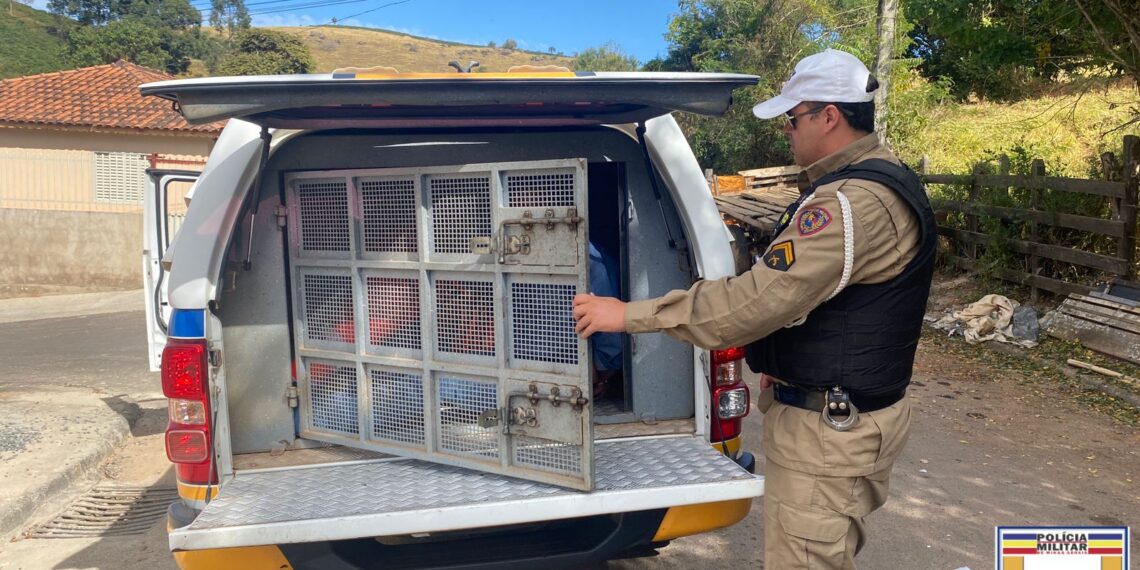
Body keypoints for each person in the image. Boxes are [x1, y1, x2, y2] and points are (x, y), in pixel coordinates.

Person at [572, 48, 936, 569]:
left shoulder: (850, 203)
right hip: (838, 416)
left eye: (792, 119)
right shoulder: (877, 179)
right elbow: (822, 300)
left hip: (829, 434)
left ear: (828, 115)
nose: (786, 131)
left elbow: (752, 303)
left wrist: (625, 315)